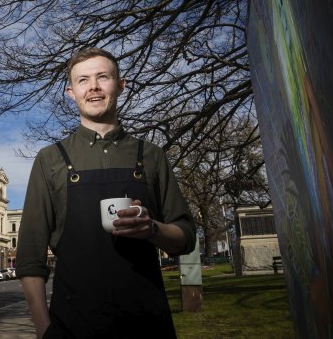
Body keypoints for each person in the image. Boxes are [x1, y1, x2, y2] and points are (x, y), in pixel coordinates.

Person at [16, 47, 197, 339]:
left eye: (103, 77)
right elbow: (29, 257)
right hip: (73, 327)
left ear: (120, 85)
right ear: (71, 92)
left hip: (148, 324)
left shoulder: (151, 155)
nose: (94, 87)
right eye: (83, 80)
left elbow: (186, 237)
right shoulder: (49, 159)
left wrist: (151, 228)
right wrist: (44, 331)